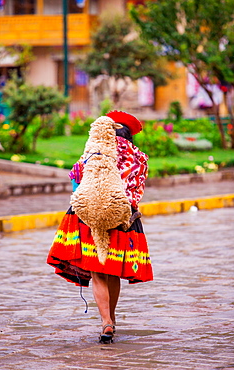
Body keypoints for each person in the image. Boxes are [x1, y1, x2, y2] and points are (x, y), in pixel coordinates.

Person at [47, 110, 153, 343]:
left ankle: (105, 321)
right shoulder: (140, 158)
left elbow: (75, 175)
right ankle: (111, 319)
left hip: (90, 217)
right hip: (123, 220)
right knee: (112, 271)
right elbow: (137, 190)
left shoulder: (95, 151)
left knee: (97, 272)